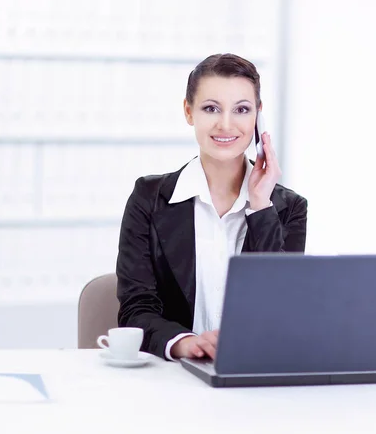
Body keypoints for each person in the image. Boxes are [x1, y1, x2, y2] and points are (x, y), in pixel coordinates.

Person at [116, 53, 307, 361]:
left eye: (242, 109)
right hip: (173, 376)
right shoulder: (149, 198)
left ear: (258, 115)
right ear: (189, 111)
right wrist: (184, 342)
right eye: (210, 108)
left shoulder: (288, 208)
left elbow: (278, 310)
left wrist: (260, 208)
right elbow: (135, 308)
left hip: (253, 374)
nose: (226, 124)